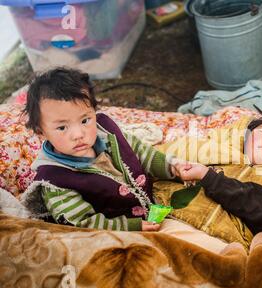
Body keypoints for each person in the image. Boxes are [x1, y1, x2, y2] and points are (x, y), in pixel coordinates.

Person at [22, 67, 189, 232]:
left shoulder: (107, 133)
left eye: (85, 120)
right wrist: (130, 226)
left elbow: (140, 151)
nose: (78, 134)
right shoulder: (55, 180)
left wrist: (171, 167)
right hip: (115, 231)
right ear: (40, 132)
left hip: (150, 201)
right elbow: (81, 223)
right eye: (62, 127)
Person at [154, 110, 262, 249]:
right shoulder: (208, 151)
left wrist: (209, 178)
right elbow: (155, 160)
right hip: (169, 224)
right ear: (246, 137)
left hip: (224, 247)